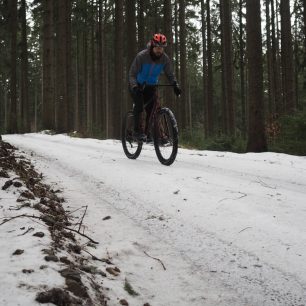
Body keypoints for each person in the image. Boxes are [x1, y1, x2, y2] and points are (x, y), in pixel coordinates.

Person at [129, 33, 181, 141]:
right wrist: (134, 86)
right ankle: (137, 132)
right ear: (152, 45)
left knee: (152, 110)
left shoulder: (164, 59)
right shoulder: (142, 56)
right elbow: (132, 74)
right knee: (139, 106)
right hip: (137, 85)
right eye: (157, 47)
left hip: (151, 86)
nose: (159, 50)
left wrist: (175, 85)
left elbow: (170, 74)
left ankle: (148, 134)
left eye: (162, 48)